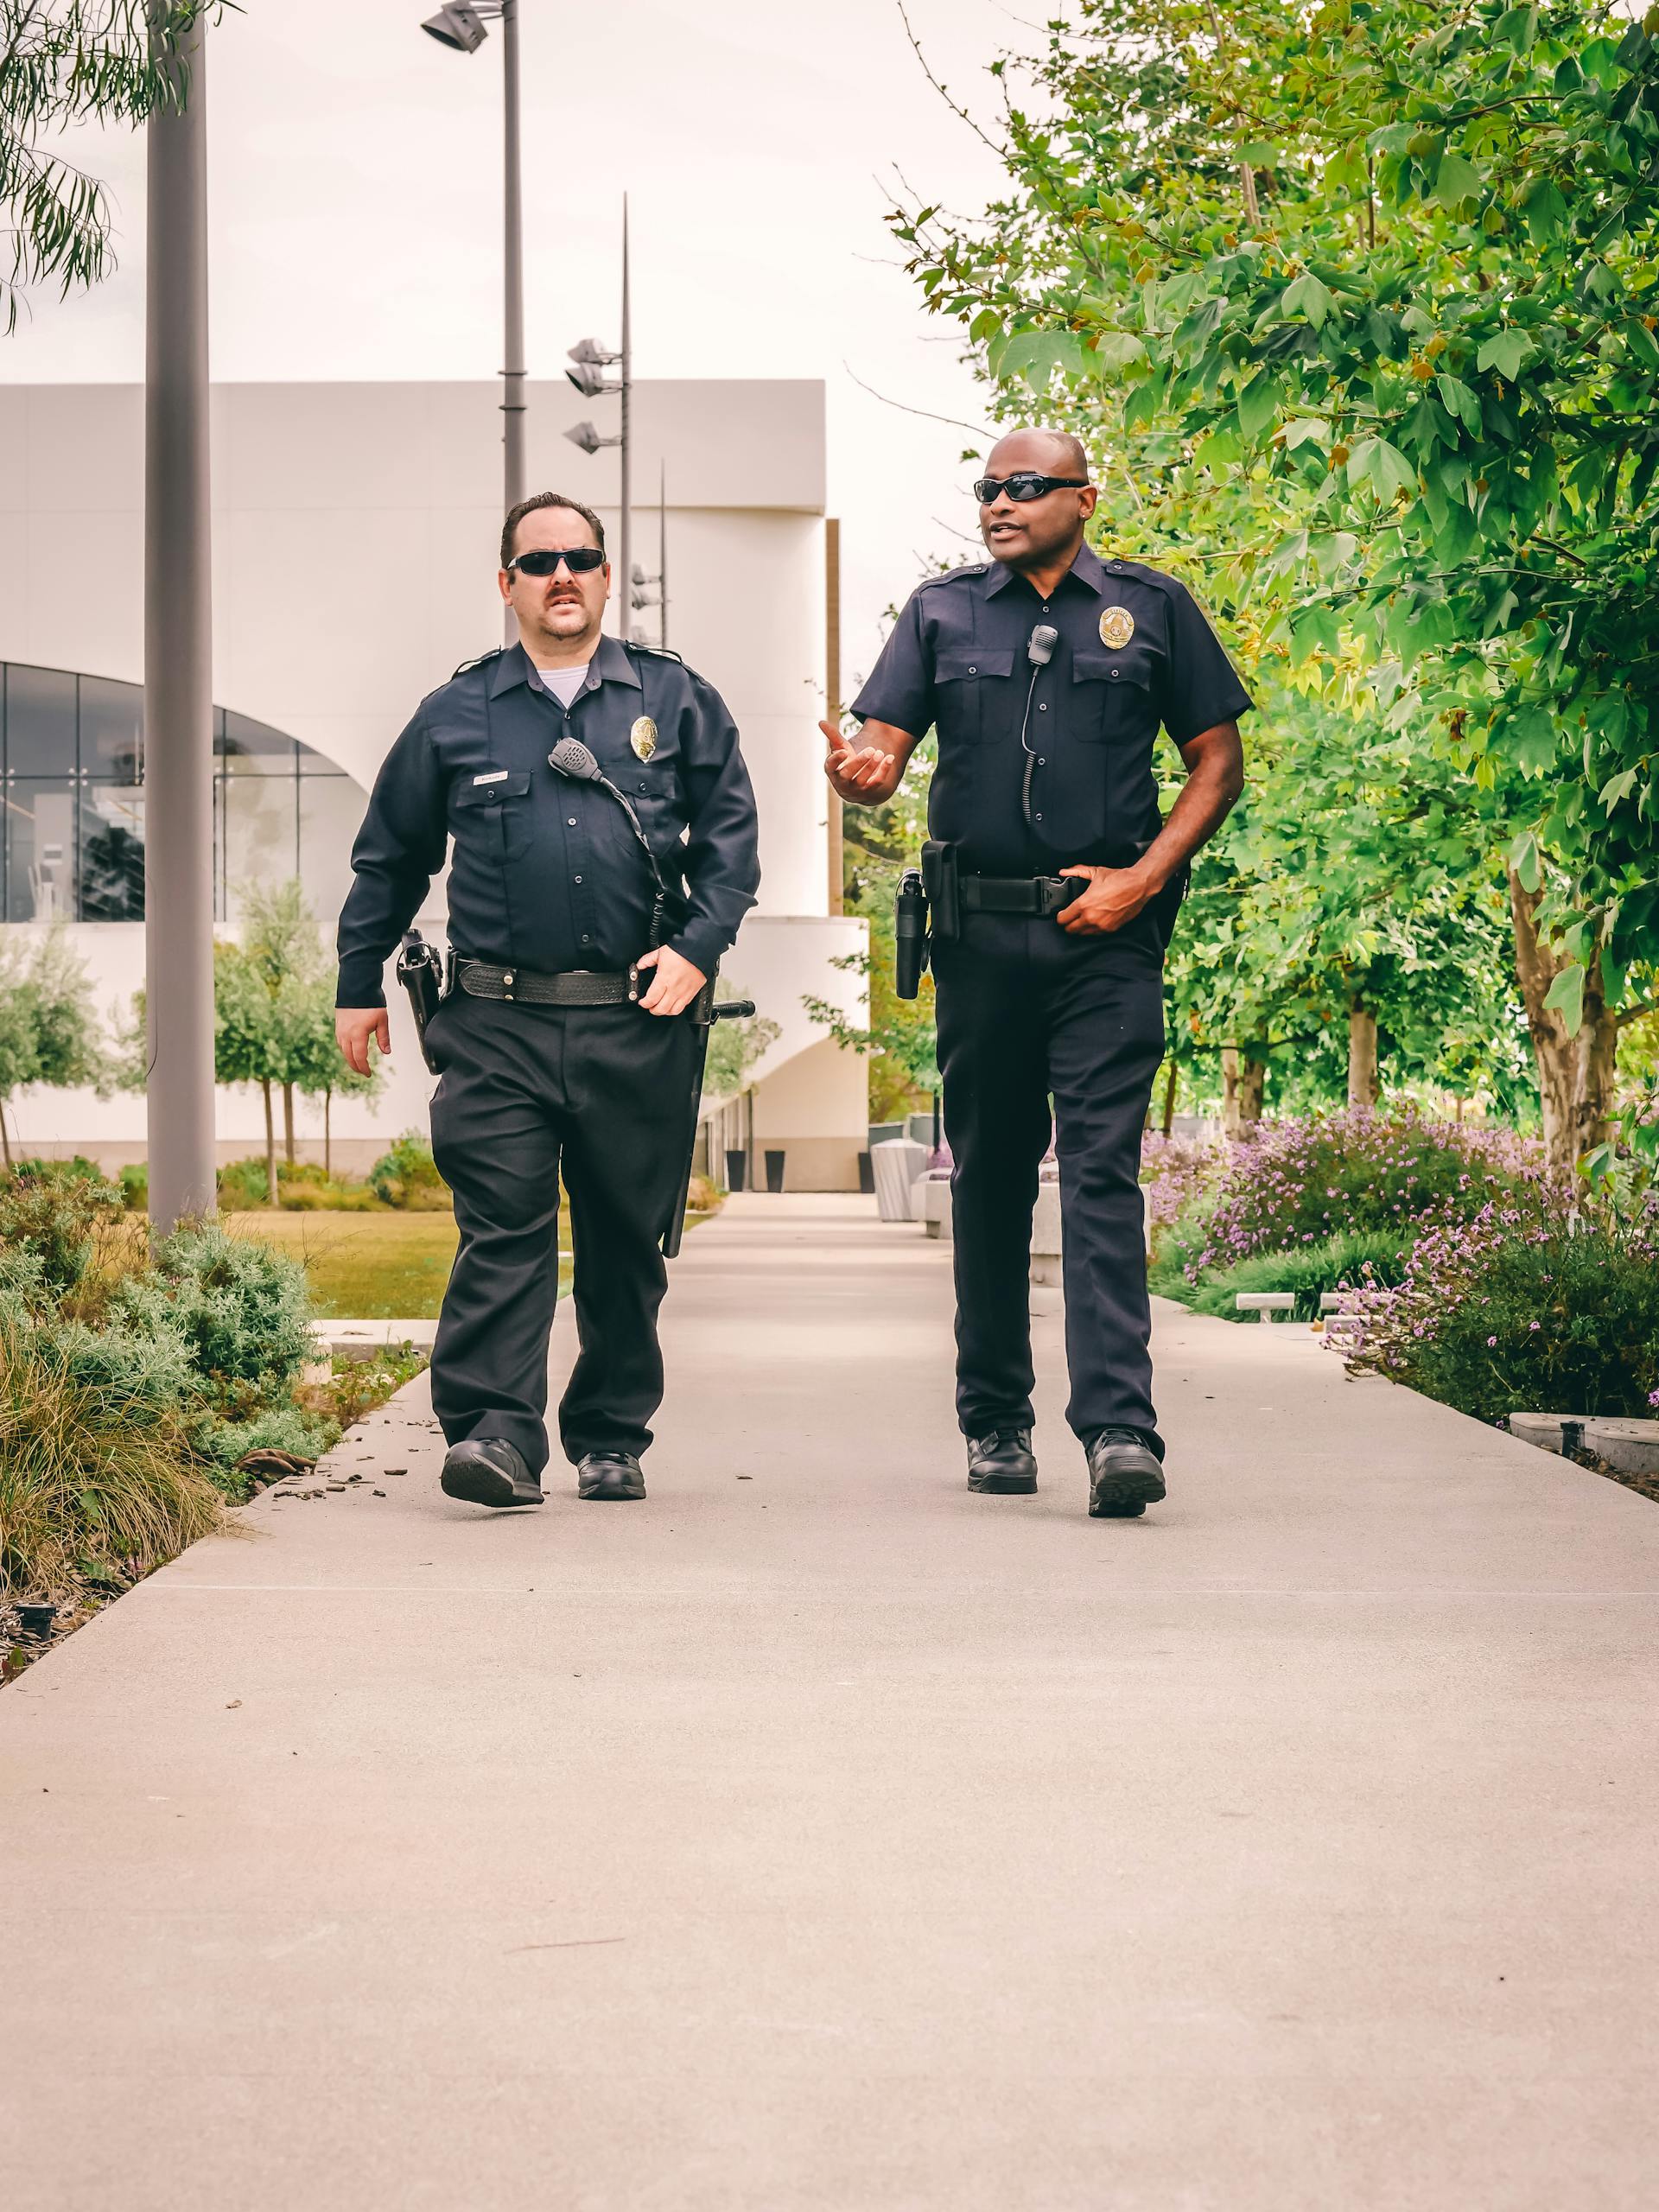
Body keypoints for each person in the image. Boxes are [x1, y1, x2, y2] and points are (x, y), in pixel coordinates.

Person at [822, 429, 1248, 1518]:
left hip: (1106, 937)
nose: (998, 504)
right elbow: (880, 756)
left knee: (1101, 1173)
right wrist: (863, 777)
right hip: (979, 945)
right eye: (986, 489)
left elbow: (1217, 760)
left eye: (1022, 487)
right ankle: (997, 1420)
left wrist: (1146, 880)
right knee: (994, 1178)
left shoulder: (1152, 608)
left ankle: (1119, 1430)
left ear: (1083, 497)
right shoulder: (941, 612)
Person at [336, 491, 760, 1510]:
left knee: (622, 1241)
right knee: (504, 1225)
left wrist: (698, 950)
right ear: (507, 584)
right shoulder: (456, 713)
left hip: (638, 1018)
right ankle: (494, 1434)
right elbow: (389, 859)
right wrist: (359, 985)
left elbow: (734, 847)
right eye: (539, 563)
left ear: (606, 575)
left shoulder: (678, 701)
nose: (561, 575)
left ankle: (610, 1435)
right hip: (496, 1024)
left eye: (580, 558)